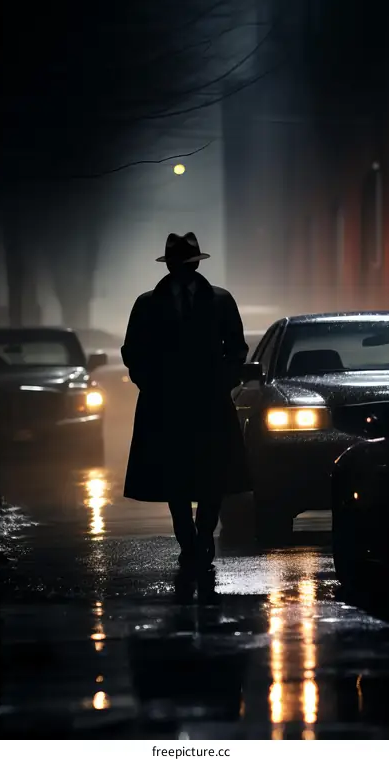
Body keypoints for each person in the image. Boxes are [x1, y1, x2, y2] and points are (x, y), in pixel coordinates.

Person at [121, 232, 250, 571]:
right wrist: (150, 384)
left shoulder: (220, 301)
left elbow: (237, 348)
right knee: (174, 475)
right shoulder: (148, 304)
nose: (182, 270)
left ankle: (203, 535)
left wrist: (224, 380)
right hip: (166, 403)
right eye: (178, 264)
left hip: (209, 401)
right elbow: (133, 351)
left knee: (212, 474)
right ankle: (187, 538)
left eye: (186, 264)